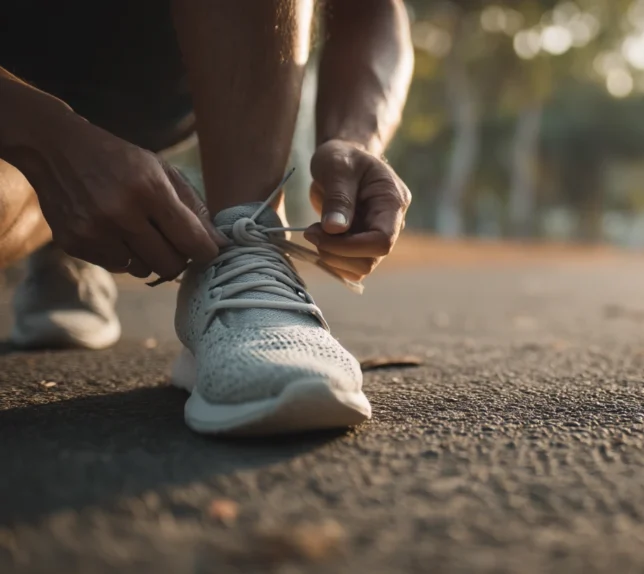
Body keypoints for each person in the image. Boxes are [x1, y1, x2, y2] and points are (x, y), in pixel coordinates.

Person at [0, 0, 413, 435]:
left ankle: (248, 241)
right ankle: (57, 229)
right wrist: (45, 141)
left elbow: (368, 9)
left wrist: (355, 139)